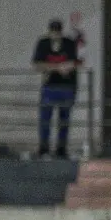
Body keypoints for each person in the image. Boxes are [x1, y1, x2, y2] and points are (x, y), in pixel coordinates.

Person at [31, 18, 81, 158]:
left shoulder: (69, 43)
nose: (55, 34)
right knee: (45, 119)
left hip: (66, 86)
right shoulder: (43, 43)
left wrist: (52, 68)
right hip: (49, 86)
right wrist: (58, 68)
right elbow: (37, 64)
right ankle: (44, 148)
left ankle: (61, 148)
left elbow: (72, 63)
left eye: (57, 31)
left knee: (64, 119)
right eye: (53, 31)